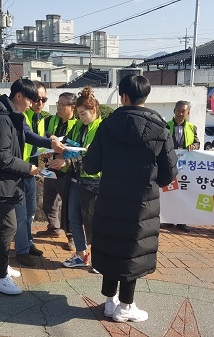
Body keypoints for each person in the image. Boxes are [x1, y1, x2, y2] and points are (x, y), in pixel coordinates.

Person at [83, 74, 178, 323]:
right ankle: (126, 307)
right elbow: (168, 174)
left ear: (123, 96)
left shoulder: (107, 125)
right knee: (132, 248)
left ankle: (109, 301)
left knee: (111, 244)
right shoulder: (160, 129)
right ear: (145, 96)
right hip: (141, 202)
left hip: (110, 198)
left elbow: (91, 165)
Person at [0, 78, 42, 295]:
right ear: (19, 96)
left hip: (3, 181)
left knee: (0, 225)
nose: (32, 105)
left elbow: (27, 134)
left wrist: (50, 143)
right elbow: (1, 157)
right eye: (31, 100)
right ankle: (0, 278)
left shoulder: (11, 114)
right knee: (8, 226)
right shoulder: (1, 119)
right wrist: (28, 167)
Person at [48, 87, 102, 270]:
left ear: (94, 111)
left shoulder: (100, 129)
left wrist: (67, 162)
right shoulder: (78, 127)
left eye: (83, 114)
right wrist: (57, 145)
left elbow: (92, 155)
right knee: (73, 219)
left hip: (92, 182)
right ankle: (81, 255)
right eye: (79, 114)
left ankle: (98, 259)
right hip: (75, 180)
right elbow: (70, 145)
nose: (81, 118)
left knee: (93, 222)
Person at [13, 81, 65, 266]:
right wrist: (48, 143)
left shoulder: (41, 118)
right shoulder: (20, 115)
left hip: (32, 171)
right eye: (36, 99)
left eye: (44, 99)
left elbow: (39, 139)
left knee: (30, 212)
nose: (40, 103)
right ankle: (21, 250)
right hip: (19, 170)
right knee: (20, 214)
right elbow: (29, 137)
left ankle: (27, 243)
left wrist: (49, 142)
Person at [36, 92, 78, 252]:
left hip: (67, 171)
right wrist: (47, 146)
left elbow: (78, 147)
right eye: (58, 103)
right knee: (48, 202)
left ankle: (72, 237)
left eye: (62, 105)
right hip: (50, 168)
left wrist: (61, 145)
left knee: (68, 206)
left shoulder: (78, 124)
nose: (58, 107)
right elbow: (43, 137)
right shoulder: (51, 120)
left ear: (72, 108)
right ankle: (54, 228)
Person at [162, 100, 200, 233]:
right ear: (174, 111)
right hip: (170, 164)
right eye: (178, 110)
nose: (180, 113)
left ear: (188, 113)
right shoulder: (166, 126)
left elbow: (197, 143)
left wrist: (194, 146)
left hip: (186, 167)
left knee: (184, 193)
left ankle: (182, 221)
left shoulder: (192, 127)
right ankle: (168, 219)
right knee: (170, 191)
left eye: (183, 111)